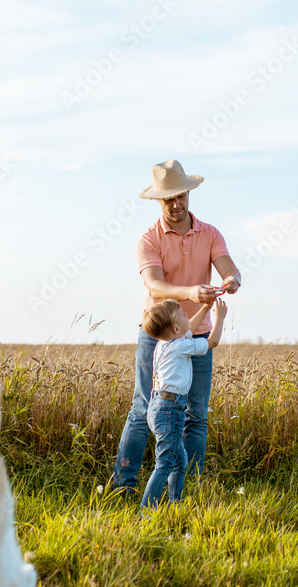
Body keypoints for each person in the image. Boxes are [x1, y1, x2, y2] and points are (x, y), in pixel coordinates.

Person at [113, 159, 241, 494]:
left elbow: (228, 266)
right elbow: (155, 287)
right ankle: (124, 485)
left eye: (180, 196)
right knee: (143, 408)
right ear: (158, 200)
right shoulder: (149, 239)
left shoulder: (210, 233)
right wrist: (190, 292)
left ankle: (184, 488)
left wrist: (232, 278)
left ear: (188, 194)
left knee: (196, 415)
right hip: (157, 333)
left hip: (197, 329)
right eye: (168, 198)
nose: (175, 203)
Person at [139, 297, 227, 509]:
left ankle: (175, 503)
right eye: (184, 315)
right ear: (176, 328)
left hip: (160, 407)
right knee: (165, 463)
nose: (188, 316)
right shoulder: (180, 347)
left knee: (180, 460)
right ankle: (146, 510)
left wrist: (205, 307)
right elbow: (211, 342)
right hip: (170, 411)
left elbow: (189, 329)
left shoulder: (166, 343)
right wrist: (219, 318)